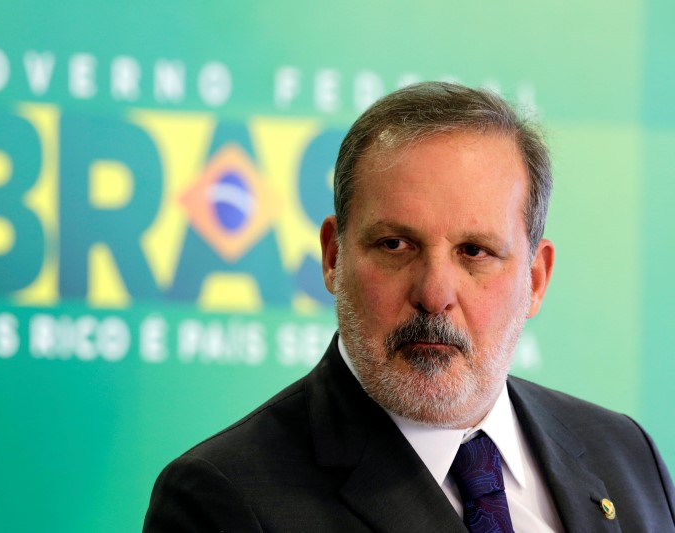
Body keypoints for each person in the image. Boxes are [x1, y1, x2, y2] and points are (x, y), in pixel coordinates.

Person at [143, 82, 675, 532]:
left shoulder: (626, 454)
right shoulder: (223, 499)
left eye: (475, 252)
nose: (434, 293)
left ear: (535, 280)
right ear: (333, 257)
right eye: (396, 245)